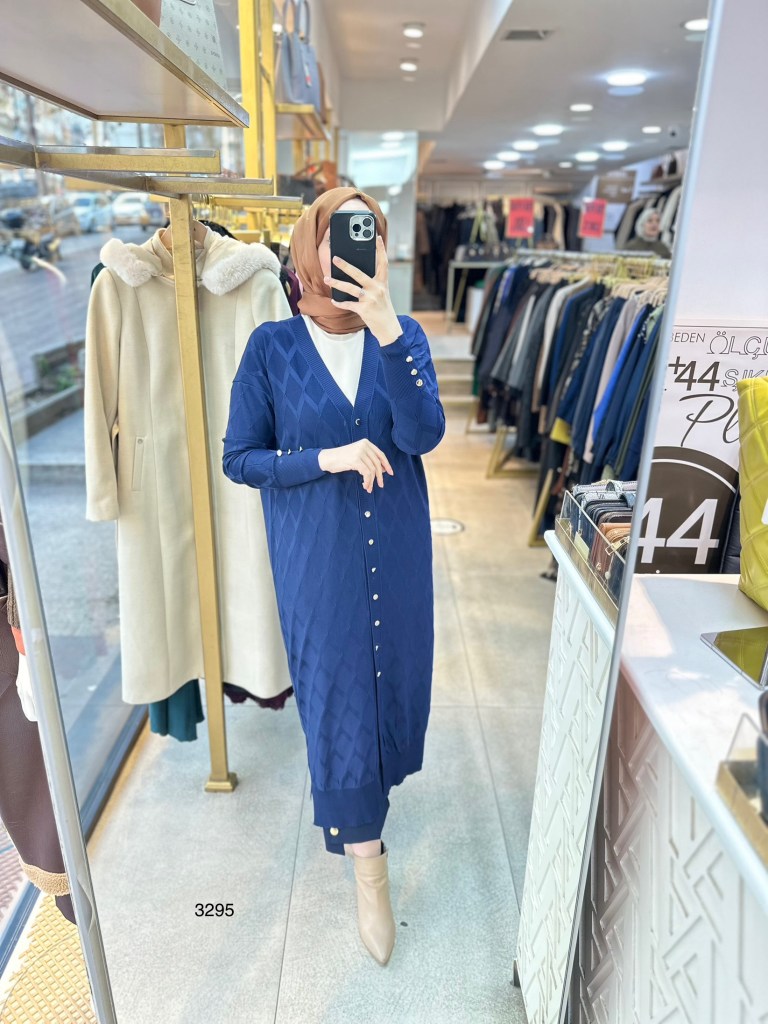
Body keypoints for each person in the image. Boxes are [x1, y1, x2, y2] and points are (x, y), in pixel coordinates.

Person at [222, 187, 445, 966]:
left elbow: (424, 433)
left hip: (399, 550)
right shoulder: (271, 347)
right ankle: (367, 863)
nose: (359, 244)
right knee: (337, 693)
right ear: (309, 246)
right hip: (317, 558)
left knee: (394, 680)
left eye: (371, 232)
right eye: (343, 232)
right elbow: (241, 458)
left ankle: (373, 808)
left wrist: (389, 331)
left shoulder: (404, 336)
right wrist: (327, 457)